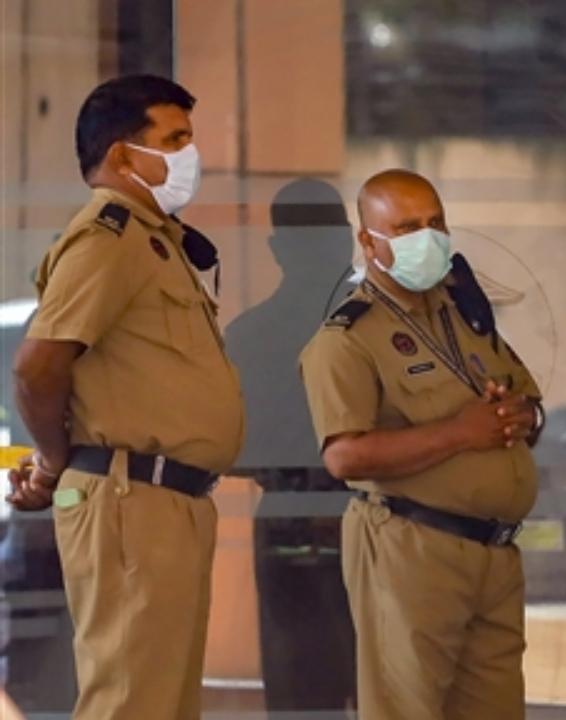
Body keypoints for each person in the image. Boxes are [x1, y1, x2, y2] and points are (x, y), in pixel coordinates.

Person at [5, 75, 243, 719]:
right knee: (132, 703)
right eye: (174, 139)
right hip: (130, 498)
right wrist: (54, 462)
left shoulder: (152, 238)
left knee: (163, 702)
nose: (190, 155)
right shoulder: (109, 237)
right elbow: (37, 367)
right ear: (122, 155)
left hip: (168, 501)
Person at [299, 169, 544, 719]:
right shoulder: (347, 338)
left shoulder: (463, 314)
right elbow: (343, 455)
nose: (427, 238)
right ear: (368, 241)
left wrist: (519, 415)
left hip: (494, 553)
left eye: (435, 223)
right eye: (407, 226)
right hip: (412, 545)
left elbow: (529, 400)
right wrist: (461, 433)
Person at [224, 178, 357, 714]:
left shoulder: (251, 333)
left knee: (306, 693)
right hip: (338, 515)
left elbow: (234, 450)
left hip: (299, 515)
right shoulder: (385, 323)